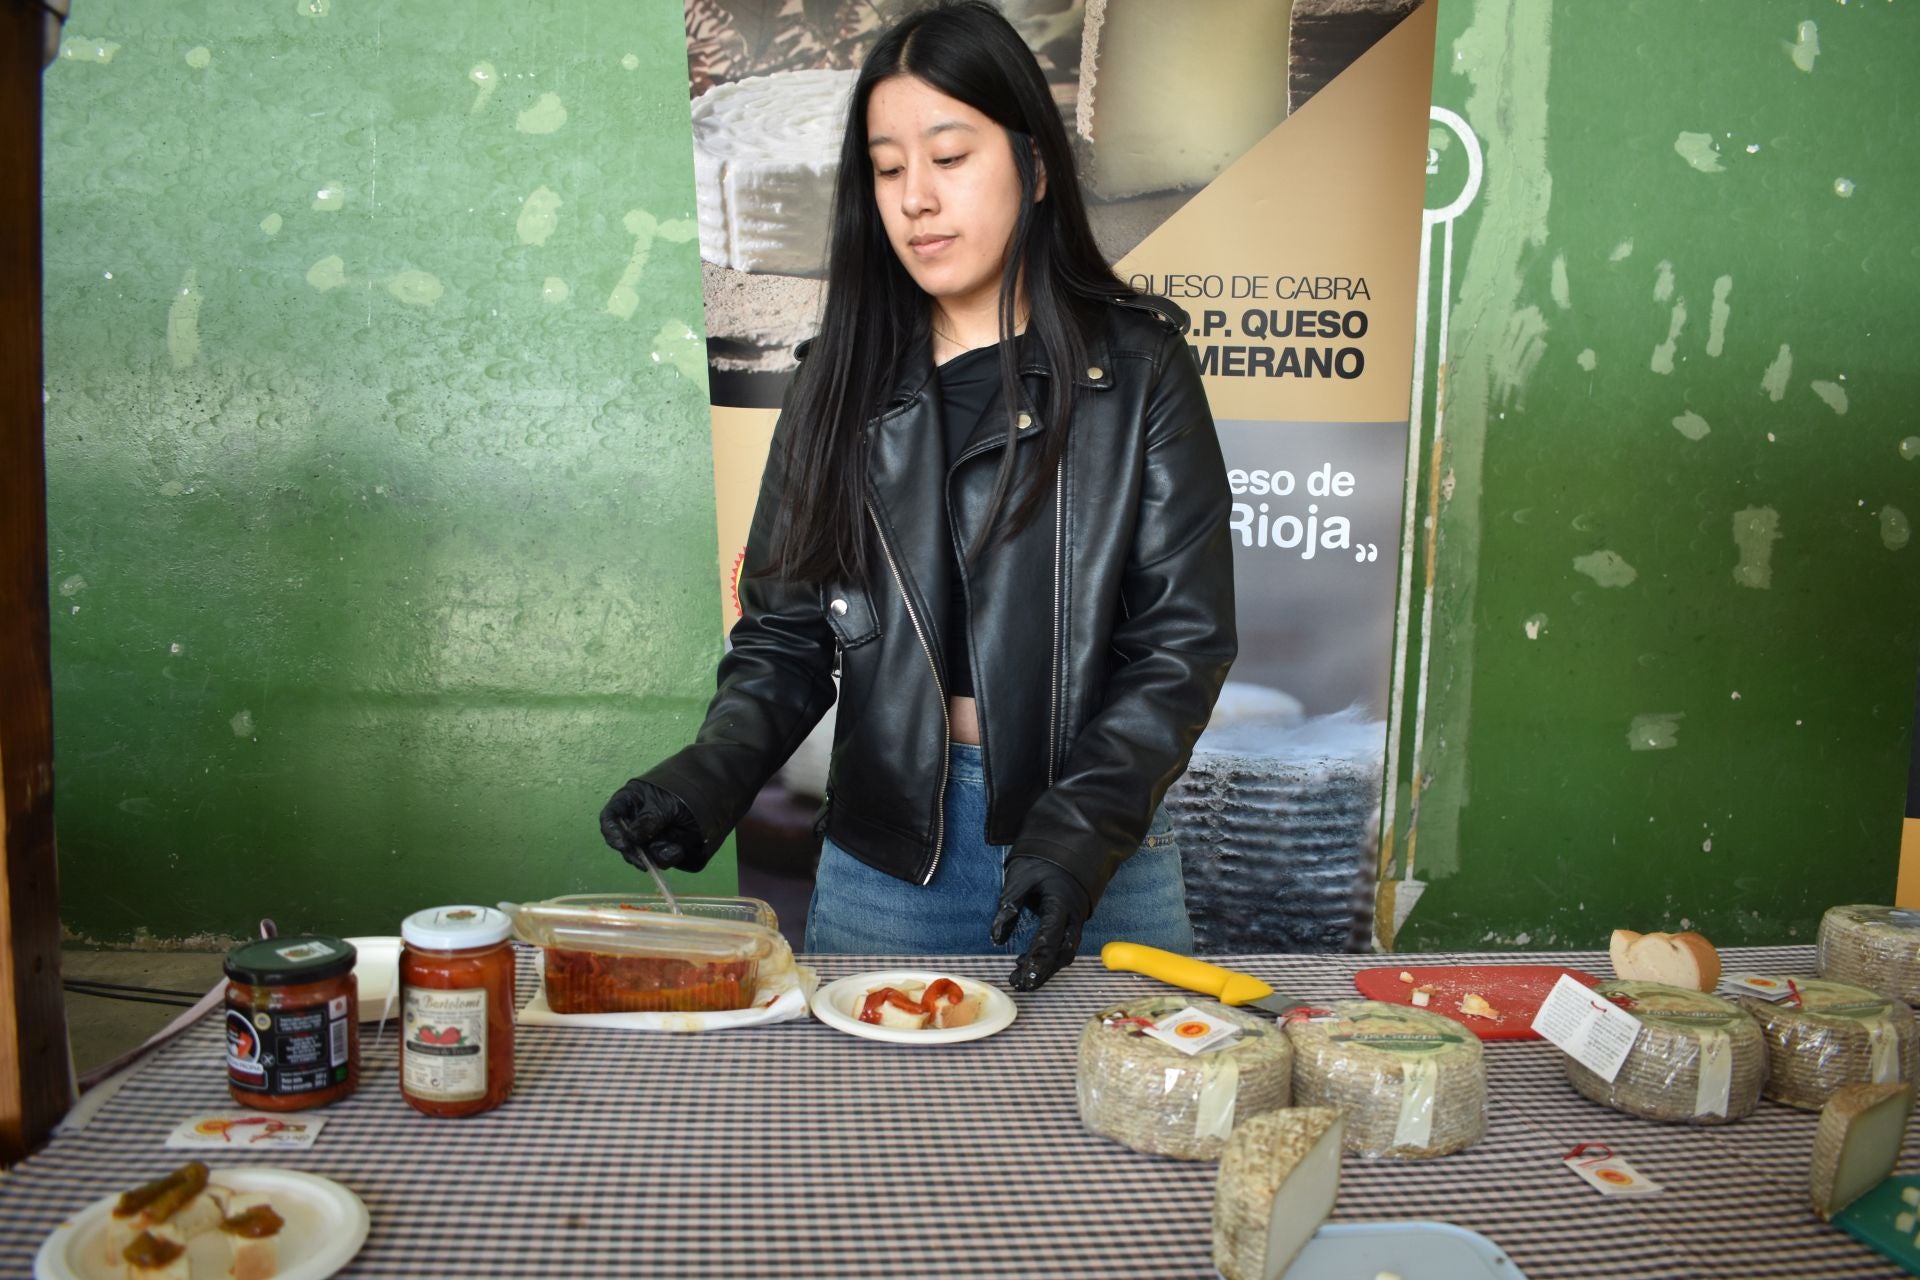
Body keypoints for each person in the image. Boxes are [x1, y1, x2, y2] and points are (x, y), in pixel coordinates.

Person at [600, 0, 1235, 991]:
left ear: (1033, 167)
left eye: (948, 157)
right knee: (872, 1099)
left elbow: (1179, 644)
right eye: (889, 169)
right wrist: (709, 773)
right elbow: (784, 636)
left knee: (1129, 1087)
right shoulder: (835, 380)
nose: (917, 200)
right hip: (887, 866)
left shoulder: (1139, 370)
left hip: (1096, 851)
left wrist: (1078, 830)